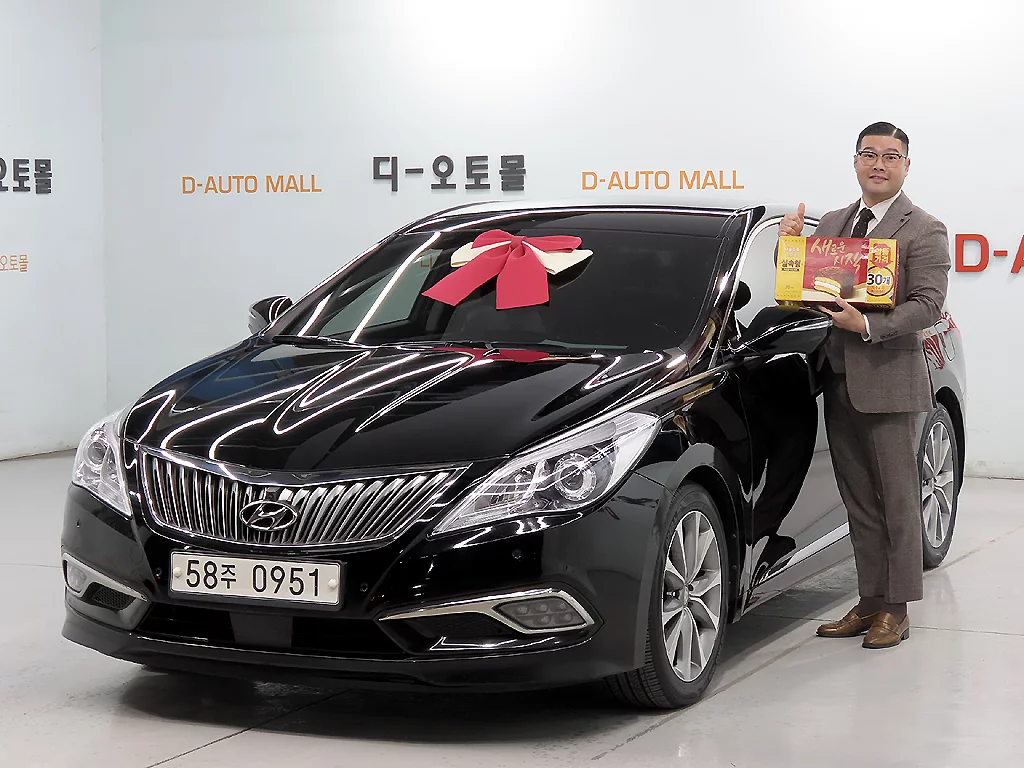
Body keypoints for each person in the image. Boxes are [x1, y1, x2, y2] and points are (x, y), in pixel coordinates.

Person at [779, 122, 950, 649]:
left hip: (889, 379)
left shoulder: (924, 228)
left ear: (906, 166)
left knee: (896, 500)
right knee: (857, 500)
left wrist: (869, 326)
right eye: (869, 154)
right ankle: (870, 599)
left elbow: (929, 304)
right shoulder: (833, 223)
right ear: (855, 161)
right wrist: (789, 247)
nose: (879, 164)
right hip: (837, 379)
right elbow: (801, 289)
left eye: (890, 156)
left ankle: (896, 609)